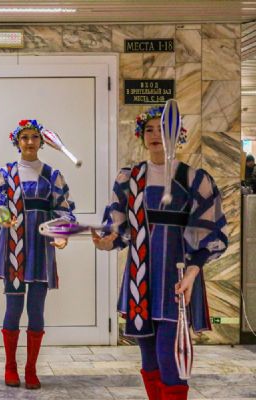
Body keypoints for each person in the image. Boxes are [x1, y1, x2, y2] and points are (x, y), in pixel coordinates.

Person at [92, 106, 228, 400]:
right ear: (141, 136)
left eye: (163, 129)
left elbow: (211, 234)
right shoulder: (129, 178)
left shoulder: (194, 179)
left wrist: (192, 273)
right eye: (149, 129)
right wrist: (105, 242)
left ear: (178, 135)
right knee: (149, 356)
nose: (156, 135)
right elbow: (118, 230)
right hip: (140, 278)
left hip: (177, 278)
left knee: (170, 354)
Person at [0, 119, 75, 390]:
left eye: (34, 137)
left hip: (40, 249)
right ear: (17, 141)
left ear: (42, 141)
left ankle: (31, 369)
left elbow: (64, 209)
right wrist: (3, 218)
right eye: (24, 137)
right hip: (13, 249)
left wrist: (61, 234)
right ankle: (10, 366)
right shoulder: (5, 174)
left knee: (36, 310)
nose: (29, 142)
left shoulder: (53, 175)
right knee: (13, 309)